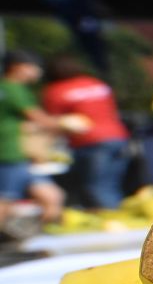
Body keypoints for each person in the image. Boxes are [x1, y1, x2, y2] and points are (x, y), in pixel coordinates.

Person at [40, 55, 131, 210]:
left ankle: (111, 226)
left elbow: (53, 123)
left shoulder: (56, 91)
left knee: (96, 187)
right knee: (112, 184)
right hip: (119, 137)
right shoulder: (96, 83)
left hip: (90, 142)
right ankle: (121, 221)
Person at [0, 51, 67, 233]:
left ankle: (42, 238)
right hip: (10, 153)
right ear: (17, 67)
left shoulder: (11, 89)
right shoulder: (12, 89)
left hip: (22, 155)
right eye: (33, 67)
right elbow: (38, 118)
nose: (37, 72)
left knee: (52, 196)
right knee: (5, 201)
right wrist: (66, 123)